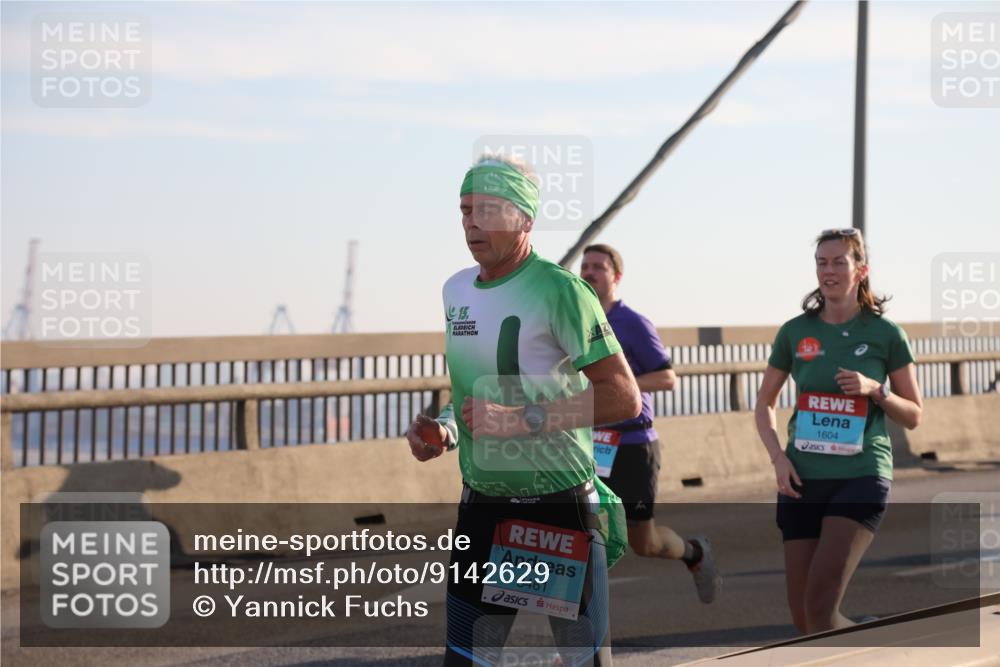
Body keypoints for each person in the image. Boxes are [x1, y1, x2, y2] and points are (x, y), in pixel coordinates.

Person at [406, 153, 642, 666]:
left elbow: (623, 395)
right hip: (484, 505)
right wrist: (446, 430)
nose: (471, 221)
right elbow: (477, 389)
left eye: (487, 209)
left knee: (583, 663)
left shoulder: (561, 290)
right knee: (465, 661)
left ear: (525, 219)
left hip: (557, 506)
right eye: (465, 209)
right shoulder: (456, 291)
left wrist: (523, 419)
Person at [754, 228, 923, 634]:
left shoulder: (885, 334)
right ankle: (870, 636)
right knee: (806, 624)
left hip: (861, 475)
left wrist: (875, 389)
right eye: (821, 262)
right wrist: (778, 457)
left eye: (838, 262)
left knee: (818, 606)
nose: (828, 271)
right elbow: (764, 404)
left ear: (860, 270)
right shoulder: (795, 332)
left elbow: (914, 414)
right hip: (801, 478)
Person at [580, 243, 721, 604]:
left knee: (645, 543)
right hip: (589, 443)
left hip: (631, 445)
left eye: (598, 267)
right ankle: (580, 636)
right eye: (585, 266)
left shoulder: (632, 323)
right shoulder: (576, 321)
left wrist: (619, 389)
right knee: (580, 534)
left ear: (617, 276)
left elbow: (667, 378)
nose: (589, 272)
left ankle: (694, 553)